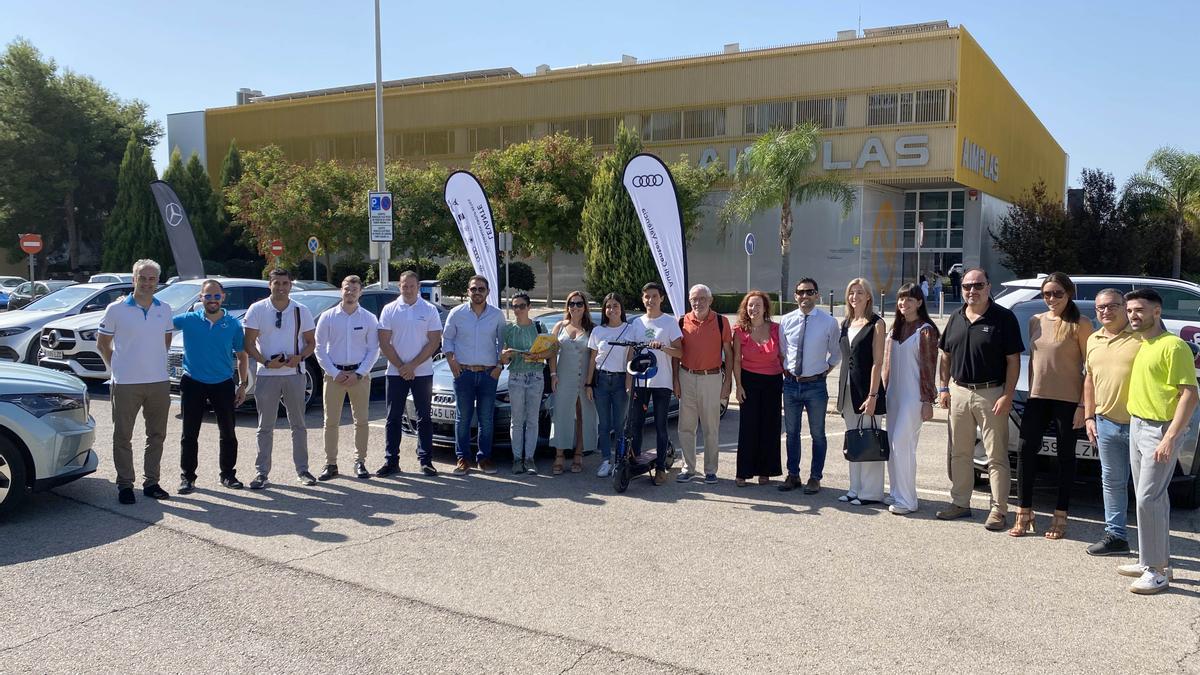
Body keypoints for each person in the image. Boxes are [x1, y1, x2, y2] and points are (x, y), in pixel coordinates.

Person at [1116, 288, 1198, 594]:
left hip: (1160, 431)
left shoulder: (1173, 346)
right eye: (1130, 310)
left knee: (1148, 498)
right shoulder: (1145, 343)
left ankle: (1156, 571)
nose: (1133, 315)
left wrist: (1171, 437)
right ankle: (1151, 560)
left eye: (1140, 310)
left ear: (1157, 312)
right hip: (1139, 425)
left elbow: (1189, 394)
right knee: (1151, 498)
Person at [937, 267, 1023, 529]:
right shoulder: (955, 317)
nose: (972, 291)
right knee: (960, 453)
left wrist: (1007, 395)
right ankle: (960, 503)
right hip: (959, 392)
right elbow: (945, 356)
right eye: (967, 287)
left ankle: (999, 509)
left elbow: (1013, 361)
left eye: (977, 285)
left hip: (991, 393)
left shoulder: (1003, 318)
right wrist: (943, 388)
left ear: (988, 286)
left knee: (996, 455)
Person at [1010, 273, 1093, 539]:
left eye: (1057, 293)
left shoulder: (1081, 324)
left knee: (1066, 457)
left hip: (1068, 401)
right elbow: (1036, 361)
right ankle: (1024, 512)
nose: (1052, 299)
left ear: (1069, 294)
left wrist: (1083, 406)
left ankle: (1061, 514)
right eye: (1047, 294)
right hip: (1037, 398)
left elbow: (1089, 369)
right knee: (1025, 452)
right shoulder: (1036, 321)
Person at [96, 259, 174, 504]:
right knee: (122, 436)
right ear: (134, 280)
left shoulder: (165, 308)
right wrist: (119, 365)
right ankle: (125, 485)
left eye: (152, 278)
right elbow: (102, 344)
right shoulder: (116, 310)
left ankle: (151, 482)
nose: (147, 282)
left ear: (157, 282)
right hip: (126, 383)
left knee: (157, 435)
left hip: (158, 382)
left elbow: (166, 342)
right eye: (143, 277)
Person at [243, 268, 318, 489]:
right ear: (270, 285)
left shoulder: (300, 310)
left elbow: (311, 342)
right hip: (267, 375)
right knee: (265, 426)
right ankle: (262, 473)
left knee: (299, 425)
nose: (281, 287)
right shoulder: (257, 309)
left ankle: (303, 470)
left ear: (290, 285)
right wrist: (266, 362)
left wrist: (300, 357)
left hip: (294, 375)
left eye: (285, 283)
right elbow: (248, 344)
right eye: (277, 283)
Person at [174, 279, 249, 493]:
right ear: (201, 298)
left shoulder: (233, 324)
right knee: (189, 433)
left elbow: (242, 356)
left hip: (223, 383)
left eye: (216, 296)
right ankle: (187, 477)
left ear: (223, 297)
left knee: (228, 432)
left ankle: (227, 474)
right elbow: (159, 321)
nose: (213, 300)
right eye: (208, 296)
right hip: (193, 382)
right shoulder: (188, 320)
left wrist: (242, 384)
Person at [1081, 289, 1141, 556]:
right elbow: (1090, 380)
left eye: (1112, 306)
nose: (1105, 311)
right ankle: (1116, 537)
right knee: (1112, 482)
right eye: (1099, 307)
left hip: (1141, 424)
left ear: (1124, 307)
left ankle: (1153, 548)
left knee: (1147, 489)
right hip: (1105, 424)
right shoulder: (1093, 339)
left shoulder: (1142, 338)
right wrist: (1089, 416)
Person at [314, 275, 380, 481]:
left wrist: (359, 373)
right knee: (330, 421)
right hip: (335, 376)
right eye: (346, 289)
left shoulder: (369, 318)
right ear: (340, 291)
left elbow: (374, 349)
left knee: (361, 421)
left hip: (359, 376)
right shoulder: (328, 317)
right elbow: (319, 349)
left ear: (360, 292)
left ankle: (360, 461)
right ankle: (331, 464)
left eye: (354, 289)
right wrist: (335, 373)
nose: (349, 292)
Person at [778, 278, 840, 494]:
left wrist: (824, 371)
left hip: (816, 386)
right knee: (792, 433)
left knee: (818, 433)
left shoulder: (829, 322)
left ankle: (815, 477)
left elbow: (836, 352)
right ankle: (793, 475)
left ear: (817, 295)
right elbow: (783, 351)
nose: (805, 296)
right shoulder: (785, 321)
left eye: (809, 292)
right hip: (791, 385)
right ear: (795, 296)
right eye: (801, 292)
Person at [378, 271, 443, 477]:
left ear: (418, 287)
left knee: (424, 417)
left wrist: (412, 366)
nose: (408, 289)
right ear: (400, 286)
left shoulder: (429, 309)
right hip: (395, 372)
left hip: (422, 372)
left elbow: (434, 342)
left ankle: (425, 460)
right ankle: (391, 461)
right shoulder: (389, 309)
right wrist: (401, 366)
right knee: (393, 417)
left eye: (412, 286)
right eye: (404, 286)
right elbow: (384, 341)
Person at [882, 283, 938, 515]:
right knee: (893, 447)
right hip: (893, 395)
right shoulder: (894, 329)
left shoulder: (925, 330)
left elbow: (928, 367)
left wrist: (927, 400)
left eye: (909, 300)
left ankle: (908, 500)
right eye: (901, 300)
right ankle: (896, 492)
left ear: (919, 303)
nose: (904, 304)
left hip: (913, 397)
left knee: (903, 445)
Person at [442, 274, 505, 475]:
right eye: (473, 289)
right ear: (467, 291)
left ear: (488, 292)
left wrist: (499, 366)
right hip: (464, 374)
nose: (477, 292)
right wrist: (452, 362)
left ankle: (484, 458)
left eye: (481, 289)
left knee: (486, 418)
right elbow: (447, 339)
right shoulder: (456, 313)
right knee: (463, 418)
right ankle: (462, 458)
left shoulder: (497, 315)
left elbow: (503, 343)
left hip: (488, 374)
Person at [673, 284, 733, 484]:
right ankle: (688, 468)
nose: (697, 303)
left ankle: (710, 470)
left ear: (710, 300)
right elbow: (676, 354)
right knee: (686, 427)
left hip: (712, 377)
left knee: (711, 427)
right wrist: (676, 380)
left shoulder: (721, 321)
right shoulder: (681, 321)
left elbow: (729, 354)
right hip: (686, 375)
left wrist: (728, 382)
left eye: (701, 299)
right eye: (694, 299)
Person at [836, 278, 888, 505]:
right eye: (851, 293)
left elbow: (878, 362)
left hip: (868, 391)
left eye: (859, 292)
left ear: (868, 296)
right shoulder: (846, 322)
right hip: (847, 390)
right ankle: (854, 488)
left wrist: (873, 395)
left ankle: (871, 493)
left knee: (870, 438)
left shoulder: (877, 323)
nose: (854, 297)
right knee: (854, 439)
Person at [630, 282, 683, 485]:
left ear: (661, 298)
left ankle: (661, 467)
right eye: (646, 297)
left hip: (662, 381)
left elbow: (680, 352)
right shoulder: (637, 323)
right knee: (636, 425)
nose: (650, 300)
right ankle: (633, 463)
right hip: (641, 382)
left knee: (661, 425)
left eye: (654, 296)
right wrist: (629, 379)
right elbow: (630, 353)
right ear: (642, 299)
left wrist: (663, 348)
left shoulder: (669, 322)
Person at [731, 290, 783, 487]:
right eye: (750, 305)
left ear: (765, 308)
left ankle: (765, 471)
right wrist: (739, 386)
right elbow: (736, 360)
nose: (753, 309)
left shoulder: (776, 329)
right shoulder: (739, 330)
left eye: (757, 305)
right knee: (748, 427)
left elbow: (783, 356)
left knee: (770, 427)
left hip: (773, 381)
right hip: (749, 381)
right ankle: (743, 473)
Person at [501, 292, 552, 474]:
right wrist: (505, 356)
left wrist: (537, 355)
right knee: (516, 420)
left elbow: (550, 351)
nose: (518, 310)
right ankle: (517, 459)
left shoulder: (539, 326)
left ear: (529, 307)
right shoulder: (508, 329)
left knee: (532, 420)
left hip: (535, 376)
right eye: (515, 306)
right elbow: (503, 359)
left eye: (521, 306)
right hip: (516, 376)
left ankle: (529, 458)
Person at [549, 290, 598, 474]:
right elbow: (551, 352)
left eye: (579, 303)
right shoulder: (559, 326)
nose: (575, 307)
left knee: (582, 415)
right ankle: (559, 455)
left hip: (585, 377)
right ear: (567, 306)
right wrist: (553, 375)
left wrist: (589, 383)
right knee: (561, 414)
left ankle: (579, 453)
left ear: (585, 306)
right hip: (564, 376)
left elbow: (595, 357)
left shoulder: (592, 328)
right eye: (571, 303)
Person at [587, 293, 634, 478]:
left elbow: (630, 357)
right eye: (608, 306)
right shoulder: (598, 331)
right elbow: (592, 360)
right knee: (604, 424)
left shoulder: (629, 330)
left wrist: (629, 382)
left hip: (621, 380)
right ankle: (606, 460)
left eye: (615, 306)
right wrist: (588, 384)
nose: (612, 310)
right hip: (602, 381)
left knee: (619, 423)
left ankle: (620, 461)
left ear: (621, 309)